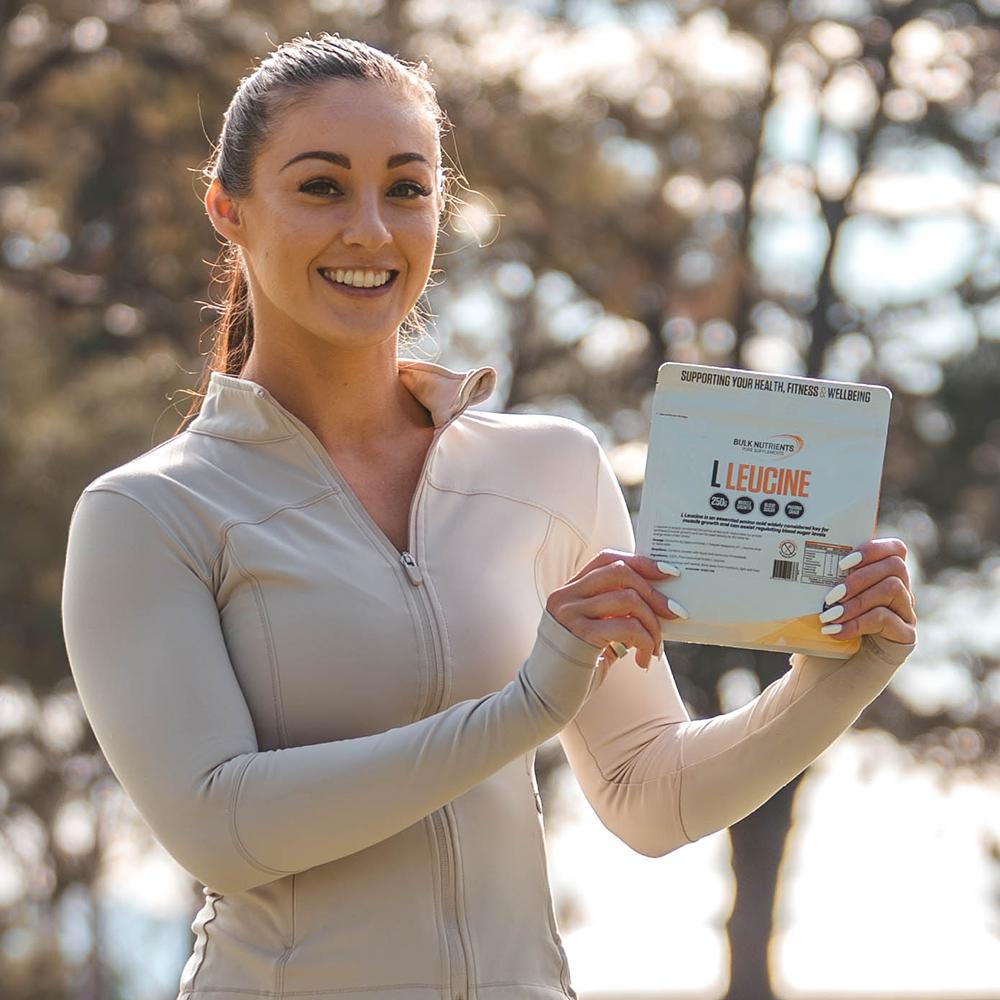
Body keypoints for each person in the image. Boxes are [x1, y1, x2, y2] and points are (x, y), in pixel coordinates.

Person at [60, 32, 918, 1000]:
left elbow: (648, 795)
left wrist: (835, 680)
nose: (370, 230)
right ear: (228, 210)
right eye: (322, 187)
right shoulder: (149, 512)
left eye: (406, 189)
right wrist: (525, 707)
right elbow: (221, 829)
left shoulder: (550, 467)